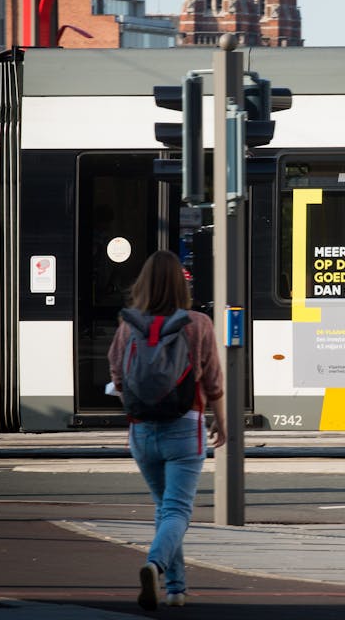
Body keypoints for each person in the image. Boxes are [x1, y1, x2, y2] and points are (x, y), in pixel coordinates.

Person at [107, 250, 228, 608]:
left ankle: (175, 589)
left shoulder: (128, 325)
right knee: (177, 511)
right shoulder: (198, 323)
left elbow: (117, 378)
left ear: (142, 284)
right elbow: (214, 382)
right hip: (184, 427)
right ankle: (155, 565)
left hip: (141, 431)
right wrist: (222, 421)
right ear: (181, 284)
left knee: (164, 508)